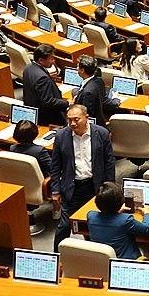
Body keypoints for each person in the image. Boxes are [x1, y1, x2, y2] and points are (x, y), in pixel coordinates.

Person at [51, 104, 115, 248]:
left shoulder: (102, 133)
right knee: (65, 225)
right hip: (72, 187)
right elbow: (55, 166)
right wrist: (55, 190)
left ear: (86, 118)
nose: (72, 123)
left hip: (94, 186)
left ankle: (93, 252)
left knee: (94, 223)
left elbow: (109, 162)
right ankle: (57, 255)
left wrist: (110, 187)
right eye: (69, 120)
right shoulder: (61, 136)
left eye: (76, 119)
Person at [87, 181, 149, 260]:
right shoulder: (125, 220)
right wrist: (147, 213)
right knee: (145, 249)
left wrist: (117, 211)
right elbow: (146, 228)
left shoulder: (91, 216)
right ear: (121, 202)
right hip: (125, 260)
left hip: (103, 261)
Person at [22, 44, 70, 125]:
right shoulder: (42, 78)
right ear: (41, 60)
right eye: (51, 59)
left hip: (33, 112)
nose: (53, 61)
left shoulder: (28, 68)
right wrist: (67, 103)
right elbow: (48, 101)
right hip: (47, 117)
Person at [73, 55, 119, 125]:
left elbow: (87, 115)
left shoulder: (88, 92)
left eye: (77, 67)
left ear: (82, 70)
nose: (76, 69)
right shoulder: (98, 80)